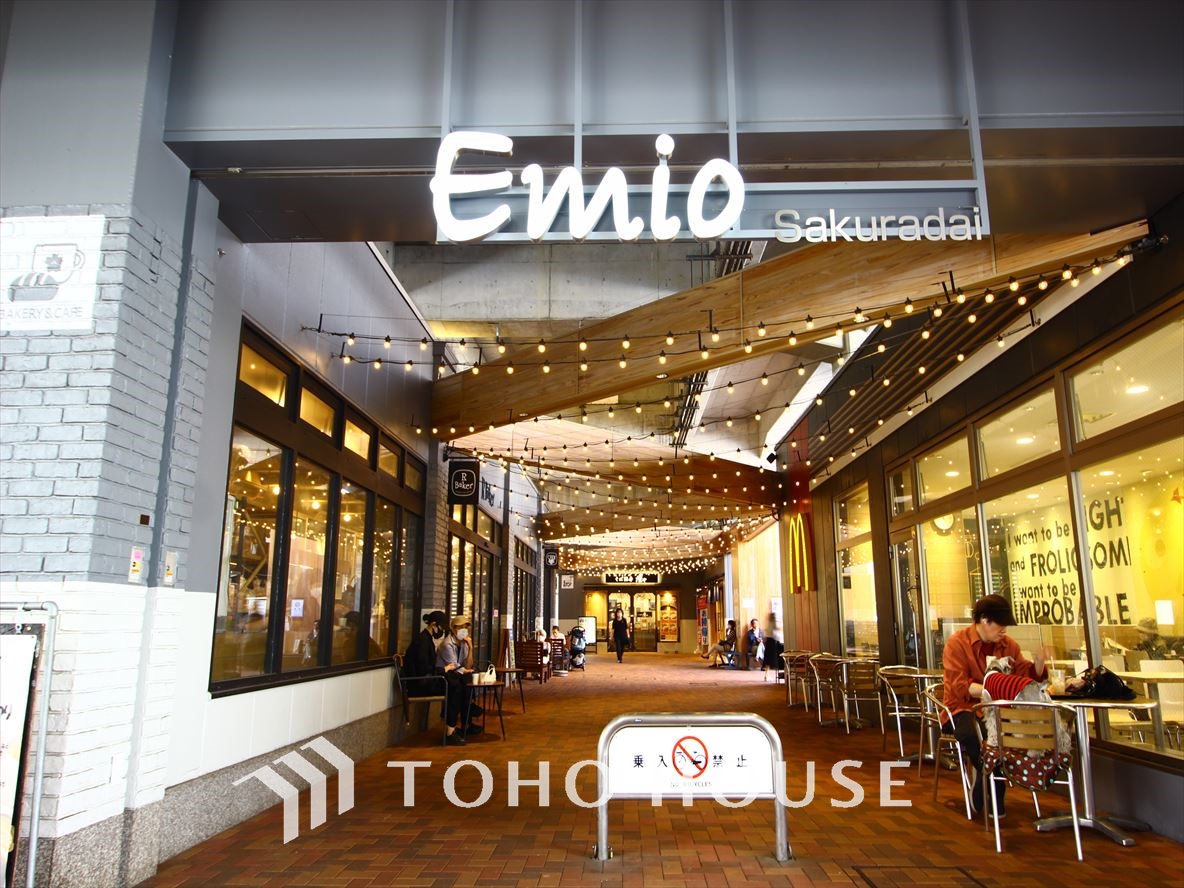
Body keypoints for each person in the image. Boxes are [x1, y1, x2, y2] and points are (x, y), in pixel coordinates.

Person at [942, 594, 1048, 819]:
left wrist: (1038, 665)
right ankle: (995, 785)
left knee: (1008, 732)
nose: (1004, 630)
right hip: (962, 708)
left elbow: (1025, 676)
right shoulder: (957, 643)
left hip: (998, 710)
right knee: (974, 734)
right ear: (984, 620)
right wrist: (993, 689)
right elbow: (958, 687)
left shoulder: (1008, 646)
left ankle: (984, 777)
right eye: (1000, 624)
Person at [436, 614, 482, 745]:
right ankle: (451, 731)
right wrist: (465, 671)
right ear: (454, 629)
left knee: (467, 685)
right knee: (458, 689)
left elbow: (468, 665)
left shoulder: (464, 643)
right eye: (461, 627)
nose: (464, 630)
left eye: (466, 627)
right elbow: (454, 666)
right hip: (443, 678)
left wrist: (471, 647)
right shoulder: (447, 644)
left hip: (457, 676)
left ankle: (467, 723)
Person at [403, 610, 446, 692]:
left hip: (421, 680)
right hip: (419, 683)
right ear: (433, 624)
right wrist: (443, 669)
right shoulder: (423, 641)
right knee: (451, 683)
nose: (442, 631)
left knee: (452, 679)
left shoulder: (425, 638)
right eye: (441, 627)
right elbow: (423, 667)